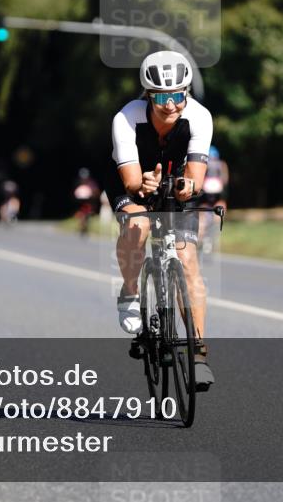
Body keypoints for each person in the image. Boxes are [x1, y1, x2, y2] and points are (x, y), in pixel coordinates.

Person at [107, 50, 215, 390]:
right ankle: (129, 291)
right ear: (148, 95)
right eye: (162, 97)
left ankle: (197, 352)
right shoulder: (126, 118)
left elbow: (196, 175)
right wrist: (144, 184)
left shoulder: (199, 117)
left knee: (188, 260)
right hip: (135, 183)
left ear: (186, 92)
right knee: (138, 225)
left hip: (175, 185)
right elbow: (131, 181)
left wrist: (187, 187)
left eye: (177, 95)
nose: (170, 104)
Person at [197, 145, 229, 253]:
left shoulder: (204, 164)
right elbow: (225, 180)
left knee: (202, 214)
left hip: (205, 191)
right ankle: (212, 236)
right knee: (220, 212)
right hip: (218, 192)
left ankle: (202, 237)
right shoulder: (222, 164)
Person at [73, 168, 100, 236]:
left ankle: (85, 227)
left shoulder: (91, 183)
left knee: (86, 215)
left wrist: (92, 195)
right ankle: (82, 227)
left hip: (88, 201)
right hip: (80, 202)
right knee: (81, 215)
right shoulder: (78, 182)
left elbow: (96, 192)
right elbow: (75, 192)